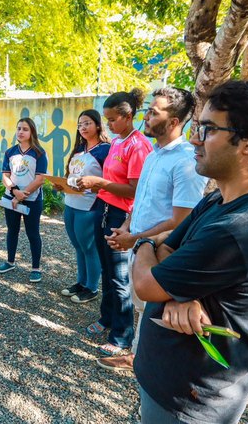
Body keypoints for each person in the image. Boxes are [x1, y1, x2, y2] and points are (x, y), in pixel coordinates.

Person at [132, 77, 248, 423]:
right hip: (171, 385)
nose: (194, 140)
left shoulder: (243, 226)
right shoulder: (219, 199)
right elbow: (168, 249)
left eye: (209, 129)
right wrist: (180, 290)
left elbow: (146, 284)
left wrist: (144, 244)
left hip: (189, 402)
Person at [97, 87, 208, 373]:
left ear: (174, 122)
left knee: (155, 310)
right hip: (140, 245)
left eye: (153, 113)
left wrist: (135, 238)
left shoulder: (185, 162)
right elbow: (142, 200)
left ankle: (150, 365)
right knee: (141, 307)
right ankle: (138, 355)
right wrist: (126, 227)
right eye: (148, 110)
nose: (145, 117)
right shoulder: (154, 154)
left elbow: (181, 221)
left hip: (160, 251)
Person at [78, 88, 152, 356]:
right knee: (107, 268)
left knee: (120, 276)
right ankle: (107, 317)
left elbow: (135, 190)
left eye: (112, 119)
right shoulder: (118, 141)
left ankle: (122, 336)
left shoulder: (138, 145)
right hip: (104, 208)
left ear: (128, 116)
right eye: (106, 119)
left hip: (122, 215)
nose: (107, 124)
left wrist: (99, 183)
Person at [55, 109, 110, 304]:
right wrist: (61, 184)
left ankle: (92, 288)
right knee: (78, 246)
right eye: (80, 124)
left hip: (90, 206)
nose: (83, 127)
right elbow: (72, 175)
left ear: (98, 125)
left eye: (87, 123)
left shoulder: (105, 150)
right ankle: (81, 282)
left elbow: (109, 181)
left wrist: (92, 185)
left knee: (89, 247)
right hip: (71, 203)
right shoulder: (79, 149)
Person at [0, 117, 48, 283]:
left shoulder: (39, 153)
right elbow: (5, 176)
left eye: (25, 129)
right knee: (12, 231)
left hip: (32, 199)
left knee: (33, 233)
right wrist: (14, 192)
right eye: (19, 128)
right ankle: (10, 262)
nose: (21, 132)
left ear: (32, 131)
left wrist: (23, 194)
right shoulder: (10, 152)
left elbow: (40, 179)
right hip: (11, 198)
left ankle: (35, 268)